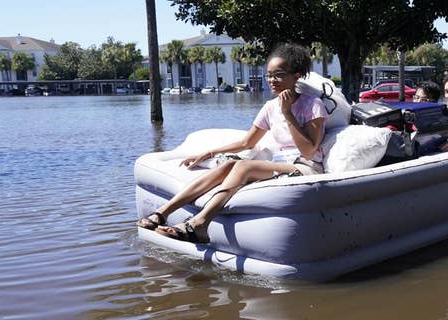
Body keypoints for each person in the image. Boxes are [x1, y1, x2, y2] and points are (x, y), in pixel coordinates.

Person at [137, 43, 328, 243]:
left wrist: (287, 112)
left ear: (296, 76)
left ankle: (200, 223)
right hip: (280, 165)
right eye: (269, 75)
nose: (272, 80)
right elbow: (247, 142)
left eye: (278, 74)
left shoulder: (312, 105)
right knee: (229, 164)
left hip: (305, 168)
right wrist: (207, 153)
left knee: (243, 166)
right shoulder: (270, 107)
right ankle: (162, 213)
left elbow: (309, 150)